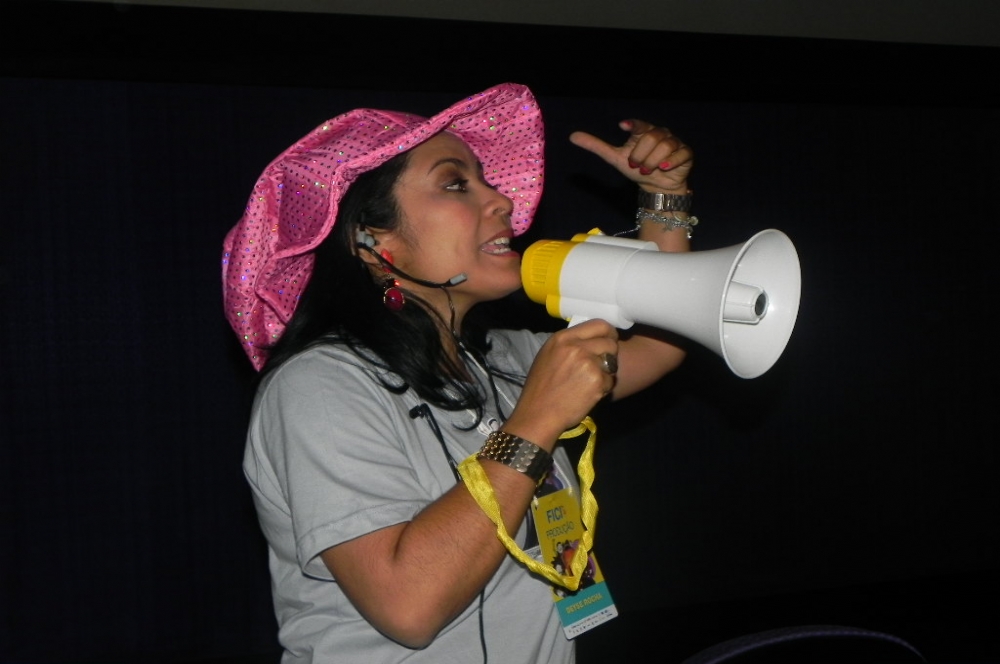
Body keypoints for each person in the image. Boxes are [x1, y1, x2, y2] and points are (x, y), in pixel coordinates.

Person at [222, 82, 695, 663]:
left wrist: (664, 197)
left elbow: (661, 341)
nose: (501, 201)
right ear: (371, 241)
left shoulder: (501, 360)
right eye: (455, 183)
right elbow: (409, 608)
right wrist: (537, 420)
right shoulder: (318, 387)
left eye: (487, 180)